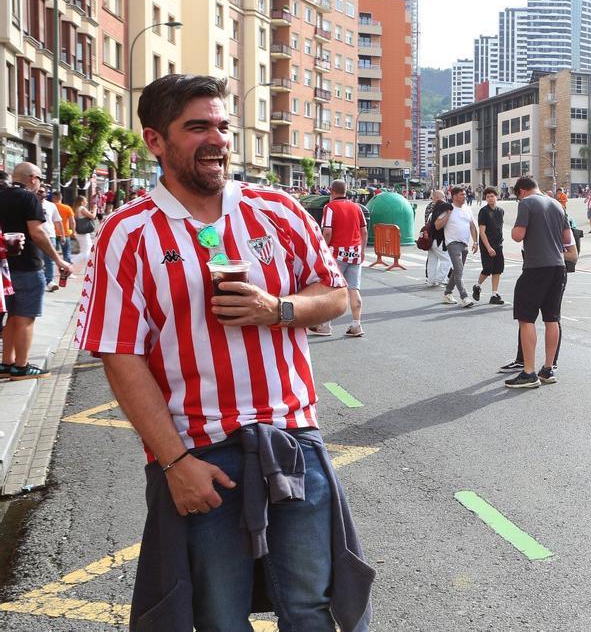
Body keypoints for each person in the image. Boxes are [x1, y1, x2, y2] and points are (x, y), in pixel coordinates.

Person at [74, 74, 371, 630]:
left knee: (313, 605)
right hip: (200, 451)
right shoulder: (128, 233)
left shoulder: (275, 210)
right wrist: (176, 463)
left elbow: (334, 293)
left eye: (222, 126)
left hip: (292, 440)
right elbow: (118, 353)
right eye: (197, 127)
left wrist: (276, 309)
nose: (217, 139)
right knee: (218, 615)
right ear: (155, 141)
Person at [1, 163, 72, 380]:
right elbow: (37, 232)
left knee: (12, 316)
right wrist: (58, 259)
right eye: (40, 179)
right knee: (25, 317)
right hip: (27, 266)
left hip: (5, 268)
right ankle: (21, 367)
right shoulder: (28, 198)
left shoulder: (2, 195)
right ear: (33, 178)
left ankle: (7, 363)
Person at [505, 176, 572, 389]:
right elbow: (566, 238)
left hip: (536, 267)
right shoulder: (557, 204)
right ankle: (548, 368)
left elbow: (517, 235)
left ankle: (528, 372)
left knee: (526, 319)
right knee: (552, 318)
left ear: (522, 191)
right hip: (558, 267)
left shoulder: (527, 203)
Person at [318, 180, 368, 337]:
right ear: (346, 191)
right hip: (354, 252)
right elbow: (364, 231)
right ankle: (356, 324)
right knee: (354, 288)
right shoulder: (356, 207)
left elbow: (327, 232)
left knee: (331, 289)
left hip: (336, 253)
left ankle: (325, 325)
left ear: (332, 191)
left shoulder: (330, 207)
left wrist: (322, 250)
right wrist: (362, 250)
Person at [434, 186, 478, 308]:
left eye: (465, 194)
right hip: (452, 243)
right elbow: (437, 225)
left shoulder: (467, 209)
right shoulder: (448, 208)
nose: (465, 196)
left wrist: (475, 242)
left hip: (464, 244)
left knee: (456, 271)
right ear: (454, 196)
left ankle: (447, 293)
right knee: (459, 270)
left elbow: (472, 226)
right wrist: (448, 214)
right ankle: (464, 297)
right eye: (462, 194)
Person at [473, 187, 507, 305]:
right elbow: (482, 232)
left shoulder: (500, 211)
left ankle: (494, 294)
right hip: (487, 244)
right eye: (488, 197)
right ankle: (477, 286)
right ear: (485, 198)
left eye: (492, 196)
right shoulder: (484, 211)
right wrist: (488, 247)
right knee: (487, 269)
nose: (490, 198)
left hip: (498, 244)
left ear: (496, 197)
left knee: (498, 270)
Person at [33, 186, 63, 291]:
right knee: (37, 260)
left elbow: (58, 221)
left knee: (50, 260)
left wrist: (62, 235)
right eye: (38, 192)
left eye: (41, 192)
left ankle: (50, 281)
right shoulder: (30, 204)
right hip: (35, 236)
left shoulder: (51, 205)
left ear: (46, 193)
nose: (39, 193)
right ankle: (39, 281)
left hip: (50, 235)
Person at [423, 189, 451, 287]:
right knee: (447, 259)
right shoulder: (441, 208)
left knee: (432, 260)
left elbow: (426, 222)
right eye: (443, 197)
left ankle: (430, 280)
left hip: (430, 239)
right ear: (439, 198)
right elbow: (449, 206)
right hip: (439, 239)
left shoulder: (430, 208)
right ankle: (440, 279)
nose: (445, 200)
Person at [71, 194, 98, 270]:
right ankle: (71, 262)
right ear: (82, 202)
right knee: (85, 252)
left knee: (88, 250)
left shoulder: (77, 208)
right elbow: (93, 216)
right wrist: (95, 209)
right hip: (83, 233)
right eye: (85, 200)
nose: (87, 202)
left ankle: (88, 267)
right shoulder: (82, 208)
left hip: (81, 232)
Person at [50, 191, 75, 270]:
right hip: (65, 233)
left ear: (53, 198)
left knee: (51, 254)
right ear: (61, 198)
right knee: (66, 253)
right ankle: (67, 270)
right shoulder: (67, 208)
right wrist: (73, 232)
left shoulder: (49, 207)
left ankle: (51, 272)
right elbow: (72, 222)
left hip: (52, 233)